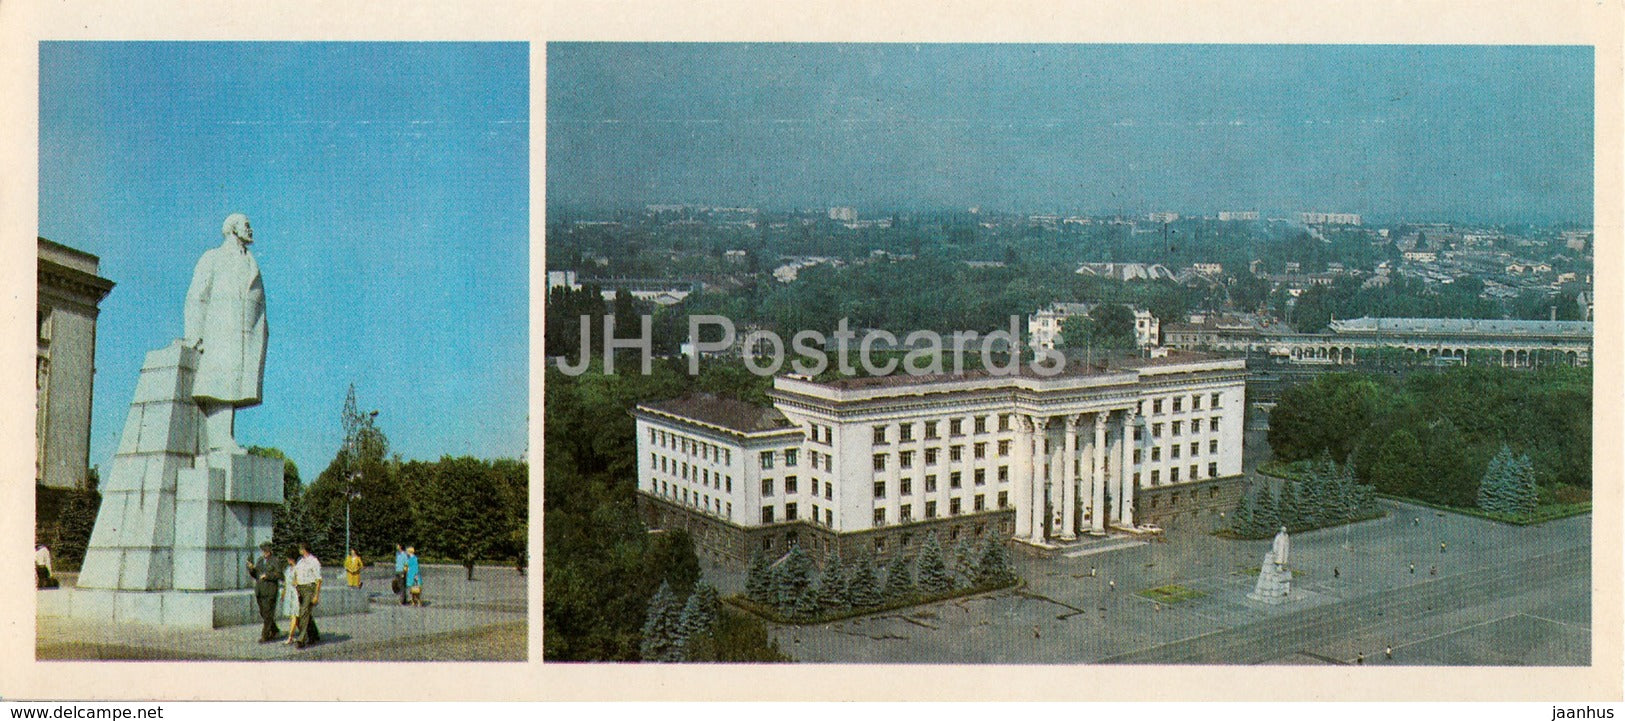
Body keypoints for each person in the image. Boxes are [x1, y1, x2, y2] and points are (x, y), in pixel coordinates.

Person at [184, 213, 267, 454]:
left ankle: (225, 437)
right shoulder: (214, 257)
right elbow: (197, 295)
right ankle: (219, 440)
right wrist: (195, 334)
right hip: (219, 332)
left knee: (234, 385)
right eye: (246, 225)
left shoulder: (251, 262)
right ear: (232, 228)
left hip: (245, 336)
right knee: (221, 385)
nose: (250, 229)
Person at [245, 542, 282, 642]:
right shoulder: (260, 560)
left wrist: (268, 576)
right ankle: (274, 629)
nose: (264, 552)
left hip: (270, 591)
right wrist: (252, 569)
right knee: (263, 613)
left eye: (266, 550)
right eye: (263, 550)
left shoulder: (275, 560)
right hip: (260, 591)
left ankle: (265, 636)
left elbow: (279, 575)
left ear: (270, 550)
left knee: (268, 613)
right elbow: (256, 575)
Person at [293, 543, 322, 648]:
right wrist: (295, 582)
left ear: (304, 549)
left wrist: (316, 595)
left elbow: (318, 579)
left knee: (304, 612)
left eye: (300, 548)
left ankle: (301, 639)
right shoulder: (300, 561)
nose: (299, 550)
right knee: (305, 614)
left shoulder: (314, 561)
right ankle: (314, 634)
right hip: (300, 589)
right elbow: (296, 573)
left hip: (309, 588)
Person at [280, 551, 301, 644]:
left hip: (295, 593)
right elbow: (285, 582)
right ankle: (305, 634)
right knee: (294, 616)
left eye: (289, 558)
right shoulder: (288, 569)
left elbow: (299, 581)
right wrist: (283, 593)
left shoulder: (298, 569)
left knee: (294, 615)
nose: (287, 560)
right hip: (289, 593)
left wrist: (296, 583)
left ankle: (290, 637)